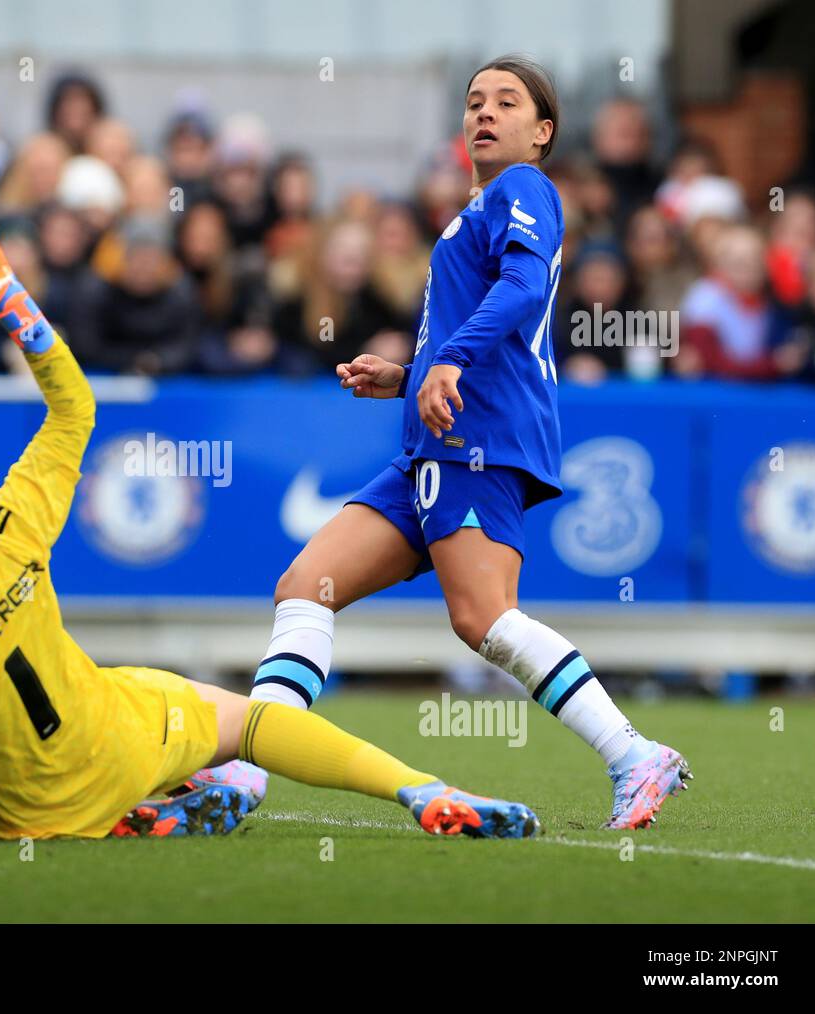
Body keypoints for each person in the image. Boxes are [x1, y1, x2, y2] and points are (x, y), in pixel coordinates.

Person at [0, 213, 540, 852]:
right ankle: (421, 788)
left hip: (29, 818)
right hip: (118, 738)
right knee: (252, 722)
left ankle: (140, 817)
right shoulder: (6, 525)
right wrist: (15, 306)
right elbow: (76, 404)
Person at [246, 55, 692, 831]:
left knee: (482, 617)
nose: (484, 112)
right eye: (474, 100)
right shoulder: (479, 206)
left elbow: (521, 292)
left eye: (507, 102)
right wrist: (409, 372)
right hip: (431, 443)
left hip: (477, 437)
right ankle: (242, 774)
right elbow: (487, 312)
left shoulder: (525, 188)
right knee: (304, 585)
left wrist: (447, 360)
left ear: (542, 131)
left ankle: (634, 754)